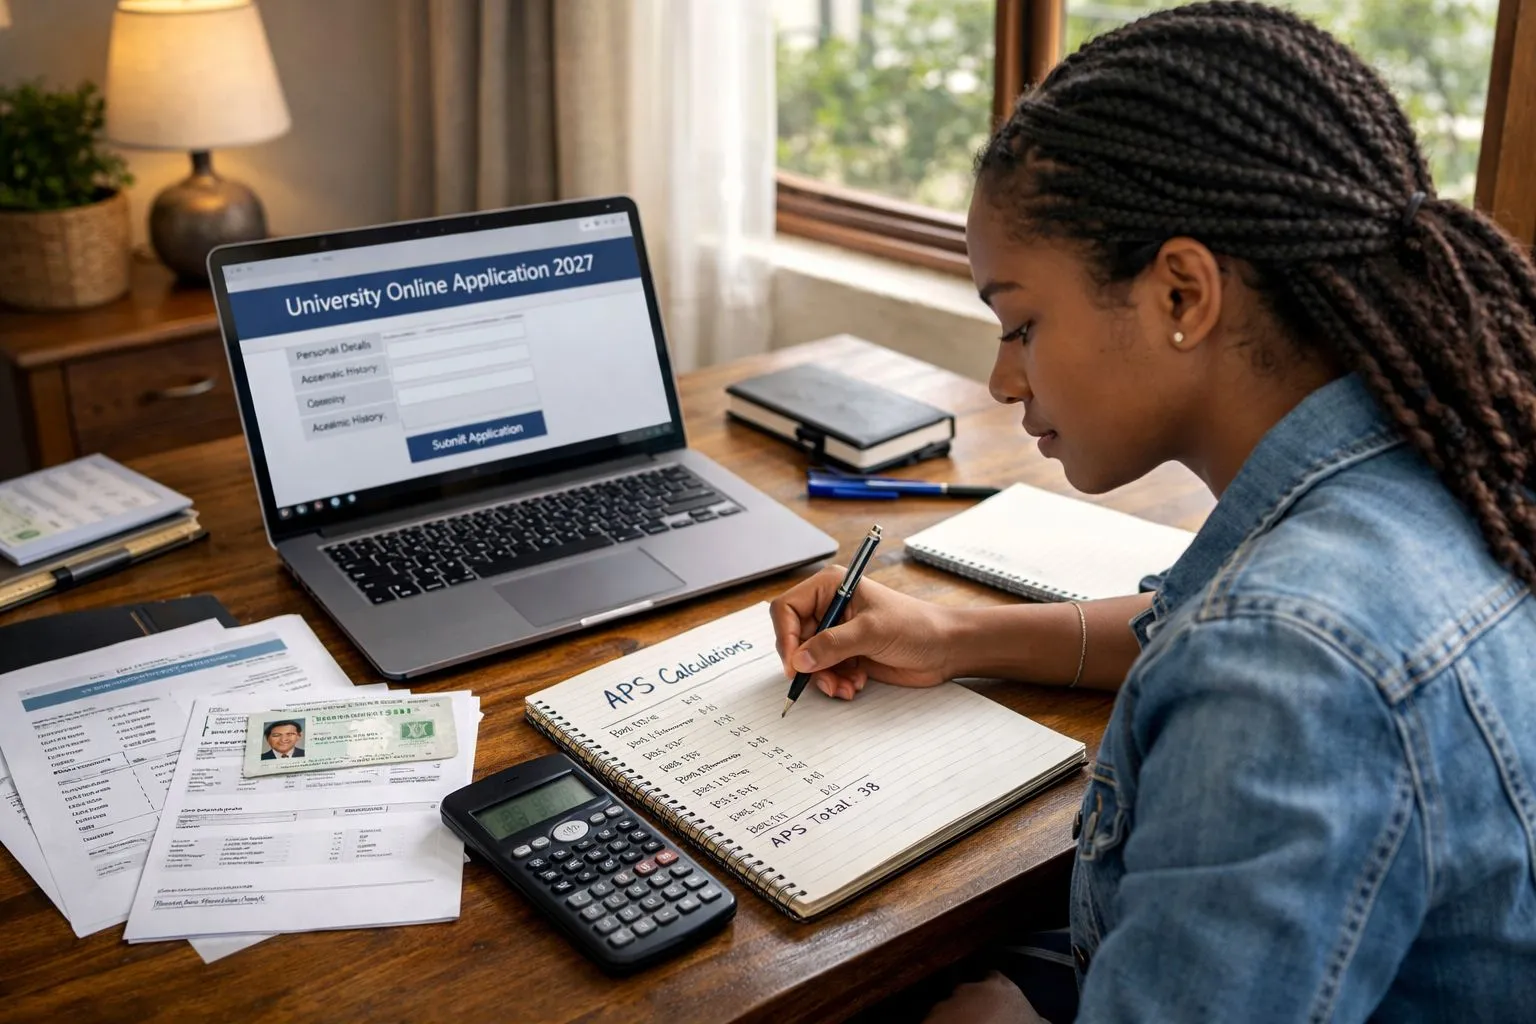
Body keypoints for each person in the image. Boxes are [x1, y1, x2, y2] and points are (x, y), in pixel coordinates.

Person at [770, 3, 1536, 1020]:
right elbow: (1190, 622)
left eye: (1022, 323)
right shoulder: (1437, 453)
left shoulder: (1289, 662)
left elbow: (1270, 656)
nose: (1002, 379)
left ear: (1183, 294)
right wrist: (951, 633)